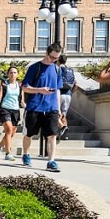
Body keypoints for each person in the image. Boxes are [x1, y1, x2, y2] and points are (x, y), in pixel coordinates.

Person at [20, 43, 64, 173]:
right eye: (52, 57)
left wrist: (59, 110)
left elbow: (57, 91)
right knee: (30, 134)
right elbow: (25, 87)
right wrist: (40, 90)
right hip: (35, 107)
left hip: (51, 108)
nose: (54, 60)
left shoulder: (57, 70)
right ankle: (26, 154)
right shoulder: (35, 68)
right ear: (46, 53)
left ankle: (51, 161)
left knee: (52, 135)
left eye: (56, 58)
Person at [0, 66, 22, 160]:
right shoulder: (4, 85)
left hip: (16, 110)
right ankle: (8, 153)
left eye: (14, 72)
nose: (12, 74)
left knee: (12, 133)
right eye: (11, 73)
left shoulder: (20, 85)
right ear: (8, 74)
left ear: (17, 74)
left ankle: (0, 146)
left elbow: (22, 100)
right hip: (5, 109)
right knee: (8, 129)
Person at [57, 54, 76, 141]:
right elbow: (76, 84)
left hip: (59, 94)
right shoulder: (70, 70)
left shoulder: (57, 69)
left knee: (56, 113)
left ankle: (61, 128)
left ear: (58, 60)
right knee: (64, 114)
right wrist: (71, 92)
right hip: (68, 94)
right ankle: (65, 134)